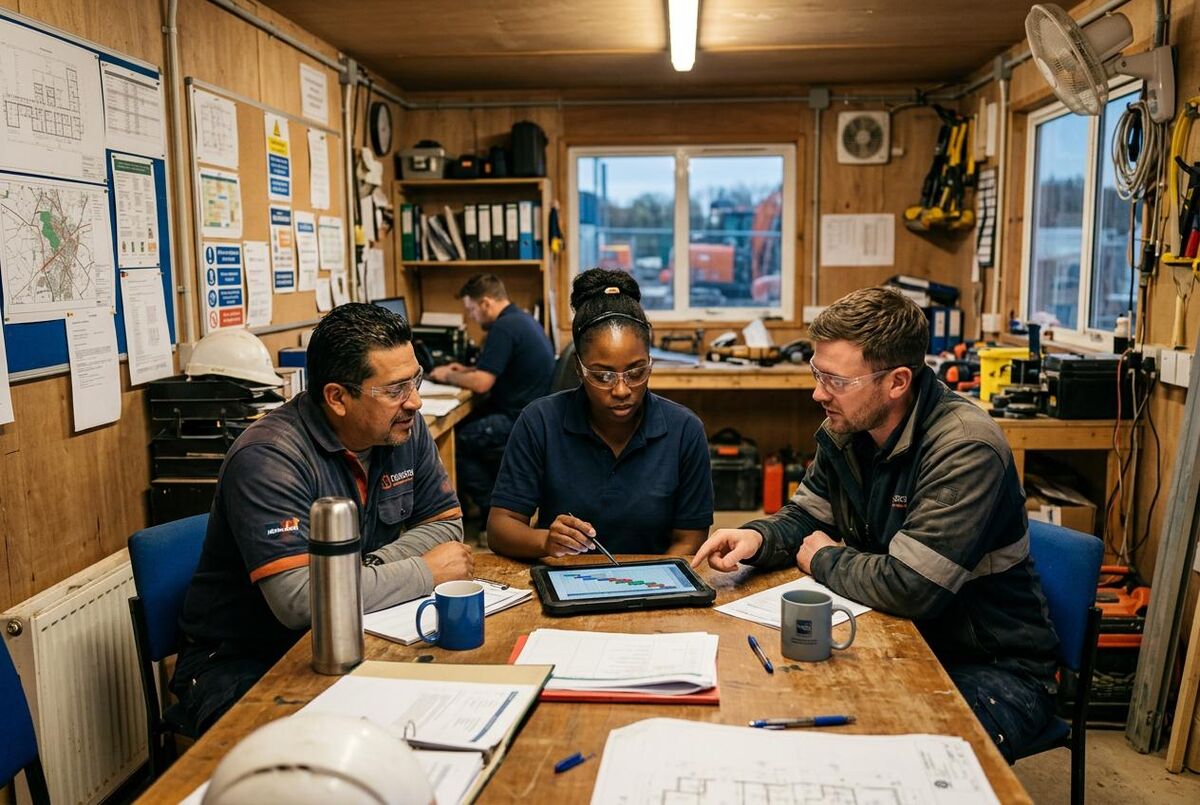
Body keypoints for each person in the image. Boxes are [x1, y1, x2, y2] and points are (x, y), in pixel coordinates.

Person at [692, 287, 1060, 764]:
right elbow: (807, 517)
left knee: (891, 761)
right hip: (902, 637)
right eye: (816, 372)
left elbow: (912, 587)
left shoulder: (965, 450)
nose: (818, 392)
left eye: (835, 380)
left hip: (992, 667)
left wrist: (823, 558)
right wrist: (759, 537)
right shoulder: (848, 429)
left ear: (897, 382)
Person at [173, 304, 473, 734]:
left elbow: (446, 526)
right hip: (245, 659)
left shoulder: (403, 428)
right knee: (330, 752)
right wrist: (423, 571)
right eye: (394, 389)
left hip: (360, 628)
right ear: (337, 397)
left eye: (415, 380)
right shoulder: (268, 458)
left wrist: (357, 574)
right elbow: (299, 601)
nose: (415, 401)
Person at [487, 268, 713, 558]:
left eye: (636, 371)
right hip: (565, 580)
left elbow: (689, 540)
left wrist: (652, 587)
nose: (621, 389)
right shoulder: (540, 421)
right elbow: (500, 527)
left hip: (654, 586)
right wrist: (545, 542)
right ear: (579, 369)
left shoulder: (684, 431)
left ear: (650, 363)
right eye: (603, 376)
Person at [428, 273, 555, 524]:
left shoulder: (503, 328)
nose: (471, 317)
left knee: (458, 443)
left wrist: (446, 375)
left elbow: (483, 382)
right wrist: (463, 371)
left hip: (516, 420)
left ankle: (491, 513)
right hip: (531, 414)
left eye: (472, 310)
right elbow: (492, 370)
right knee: (465, 427)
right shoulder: (521, 320)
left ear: (486, 303)